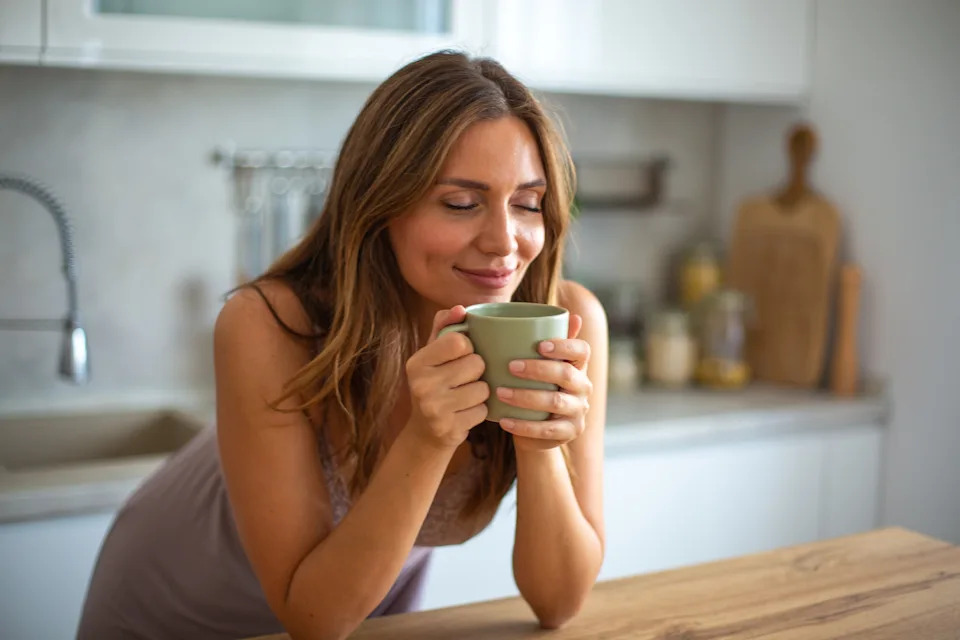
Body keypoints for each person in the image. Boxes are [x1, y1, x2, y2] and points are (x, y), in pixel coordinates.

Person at [78, 50, 608, 640]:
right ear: (381, 205)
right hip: (172, 616)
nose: (504, 242)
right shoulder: (268, 325)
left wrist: (537, 438)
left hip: (364, 616)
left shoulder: (569, 321)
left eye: (527, 203)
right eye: (460, 203)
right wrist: (428, 439)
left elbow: (558, 602)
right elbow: (312, 617)